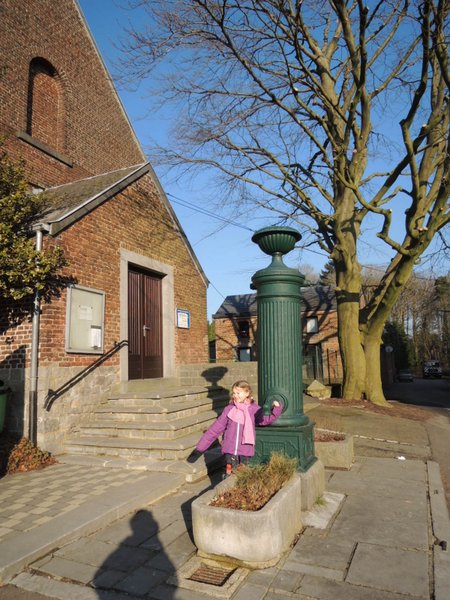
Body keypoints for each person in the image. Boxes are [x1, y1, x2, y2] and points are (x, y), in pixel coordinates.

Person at [192, 380, 282, 477]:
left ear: (247, 393)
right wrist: (200, 448)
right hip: (229, 451)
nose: (235, 395)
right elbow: (215, 429)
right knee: (229, 475)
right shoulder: (229, 409)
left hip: (244, 451)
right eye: (234, 393)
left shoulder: (254, 409)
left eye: (238, 393)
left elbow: (264, 420)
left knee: (241, 475)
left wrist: (276, 409)